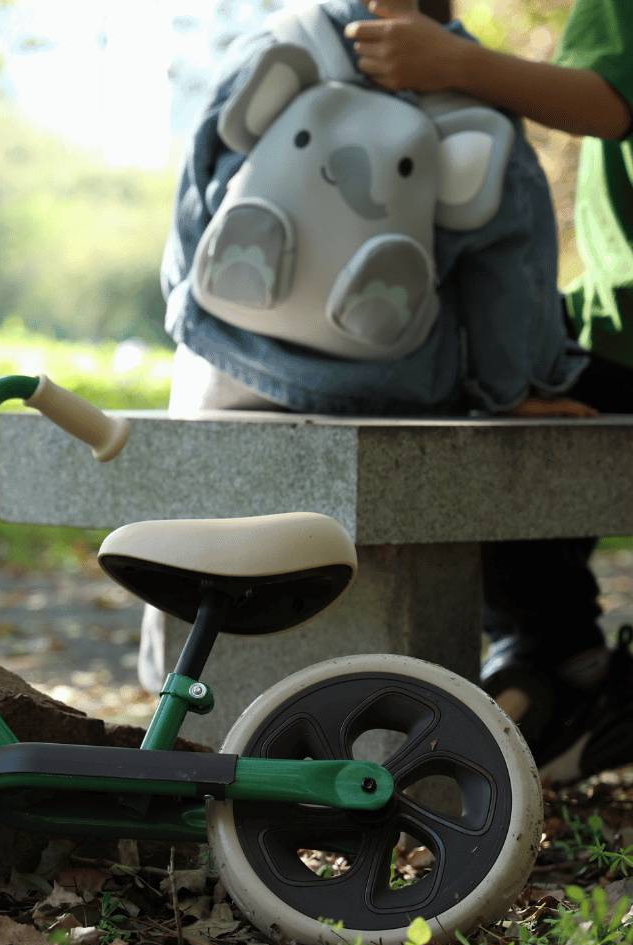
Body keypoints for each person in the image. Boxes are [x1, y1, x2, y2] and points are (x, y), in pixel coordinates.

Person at [161, 0, 633, 783]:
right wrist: (511, 388)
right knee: (516, 402)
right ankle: (556, 663)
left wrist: (192, 315)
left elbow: (200, 171)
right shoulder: (471, 103)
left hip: (232, 360)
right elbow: (509, 257)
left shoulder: (278, 45)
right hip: (404, 380)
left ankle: (552, 659)